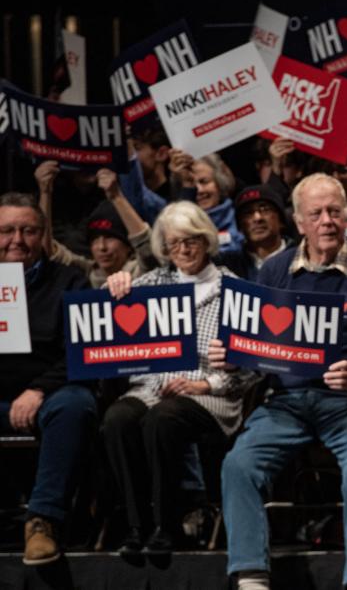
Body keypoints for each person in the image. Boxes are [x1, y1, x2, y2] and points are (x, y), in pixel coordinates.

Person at [216, 173, 347, 590]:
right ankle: (250, 576)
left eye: (334, 211)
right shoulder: (274, 270)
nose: (326, 221)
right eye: (316, 213)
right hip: (287, 403)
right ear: (299, 222)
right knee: (238, 465)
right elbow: (256, 356)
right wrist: (232, 358)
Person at [101, 201, 259, 554]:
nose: (184, 250)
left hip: (211, 393)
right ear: (164, 248)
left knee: (163, 419)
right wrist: (115, 286)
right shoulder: (152, 283)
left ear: (206, 240)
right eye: (174, 243)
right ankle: (135, 524)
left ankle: (167, 525)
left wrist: (206, 383)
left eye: (191, 240)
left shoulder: (232, 289)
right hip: (153, 388)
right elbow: (105, 327)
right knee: (118, 418)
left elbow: (252, 369)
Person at [0, 192, 97, 565]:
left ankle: (41, 521)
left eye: (28, 230)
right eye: (7, 230)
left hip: (49, 394)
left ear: (43, 235)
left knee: (76, 404)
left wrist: (38, 389)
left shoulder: (72, 281)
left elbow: (82, 352)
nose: (17, 240)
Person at [36, 165, 156, 287]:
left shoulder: (143, 271)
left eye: (110, 238)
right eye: (95, 239)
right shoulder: (86, 273)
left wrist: (116, 196)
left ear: (129, 245)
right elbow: (48, 252)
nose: (102, 247)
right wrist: (45, 192)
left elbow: (146, 247)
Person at [169, 149, 243, 253]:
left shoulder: (243, 217)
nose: (199, 190)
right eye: (191, 184)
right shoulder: (172, 225)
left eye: (204, 182)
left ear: (219, 182)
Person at [218, 185, 292, 281]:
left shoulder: (300, 259)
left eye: (265, 209)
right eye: (248, 213)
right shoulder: (228, 265)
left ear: (281, 221)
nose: (257, 218)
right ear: (240, 227)